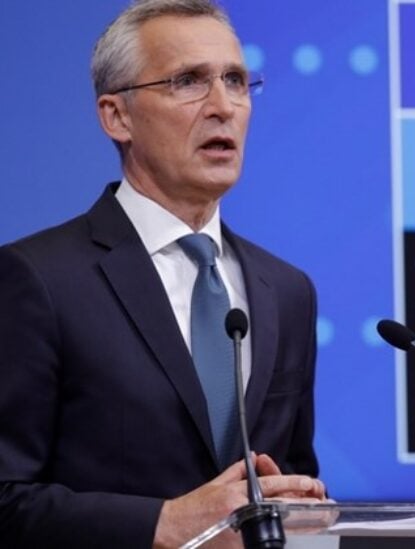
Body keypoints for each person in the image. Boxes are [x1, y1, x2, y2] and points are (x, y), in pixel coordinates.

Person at [0, 1, 326, 547]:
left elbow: (288, 476)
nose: (223, 106)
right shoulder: (37, 280)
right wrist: (163, 523)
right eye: (188, 82)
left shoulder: (287, 291)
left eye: (237, 81)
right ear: (116, 116)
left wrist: (304, 511)